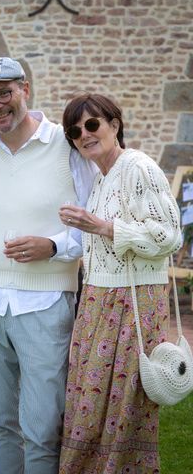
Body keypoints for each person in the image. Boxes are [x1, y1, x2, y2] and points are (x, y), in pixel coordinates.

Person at [0, 57, 99, 474]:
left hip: (46, 302)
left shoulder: (66, 145)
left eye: (4, 93)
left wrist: (52, 245)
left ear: (25, 89)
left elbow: (95, 222)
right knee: (0, 426)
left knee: (42, 428)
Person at [57, 93, 181, 472]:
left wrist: (103, 227)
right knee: (89, 403)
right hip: (98, 299)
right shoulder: (101, 177)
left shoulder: (137, 167)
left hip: (133, 302)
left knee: (120, 405)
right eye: (75, 131)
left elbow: (169, 236)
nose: (84, 134)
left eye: (92, 124)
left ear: (114, 123)